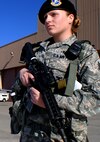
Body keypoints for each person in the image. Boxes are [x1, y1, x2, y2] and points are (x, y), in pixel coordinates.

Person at [14, 0, 100, 141]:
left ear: (70, 18)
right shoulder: (37, 51)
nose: (48, 20)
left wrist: (49, 101)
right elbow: (17, 91)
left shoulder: (85, 52)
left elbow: (95, 98)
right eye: (45, 17)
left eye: (54, 14)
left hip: (63, 136)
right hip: (30, 135)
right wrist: (21, 75)